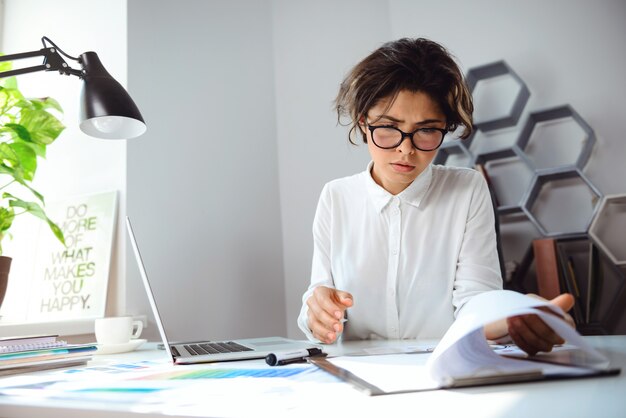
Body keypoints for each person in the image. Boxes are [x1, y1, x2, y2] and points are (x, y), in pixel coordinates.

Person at [297, 37, 574, 355]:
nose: (406, 148)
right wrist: (316, 311)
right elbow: (318, 302)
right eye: (388, 126)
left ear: (445, 128)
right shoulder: (336, 197)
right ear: (363, 123)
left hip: (443, 370)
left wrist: (513, 315)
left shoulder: (467, 189)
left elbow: (476, 302)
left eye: (427, 130)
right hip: (359, 373)